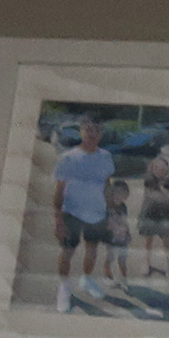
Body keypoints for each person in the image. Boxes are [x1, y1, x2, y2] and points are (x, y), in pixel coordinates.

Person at [50, 114, 118, 311]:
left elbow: (107, 185)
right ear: (81, 131)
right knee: (67, 252)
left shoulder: (106, 157)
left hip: (97, 214)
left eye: (96, 131)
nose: (92, 134)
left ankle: (86, 280)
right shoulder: (67, 158)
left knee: (92, 249)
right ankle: (64, 287)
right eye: (88, 130)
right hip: (72, 213)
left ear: (101, 134)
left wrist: (111, 213)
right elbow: (59, 191)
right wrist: (58, 220)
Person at [136, 163, 169, 294]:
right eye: (157, 168)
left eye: (163, 168)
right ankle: (147, 263)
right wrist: (168, 196)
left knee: (168, 243)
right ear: (153, 169)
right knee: (148, 240)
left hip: (166, 216)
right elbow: (154, 197)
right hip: (150, 214)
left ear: (167, 168)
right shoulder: (149, 181)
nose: (160, 170)